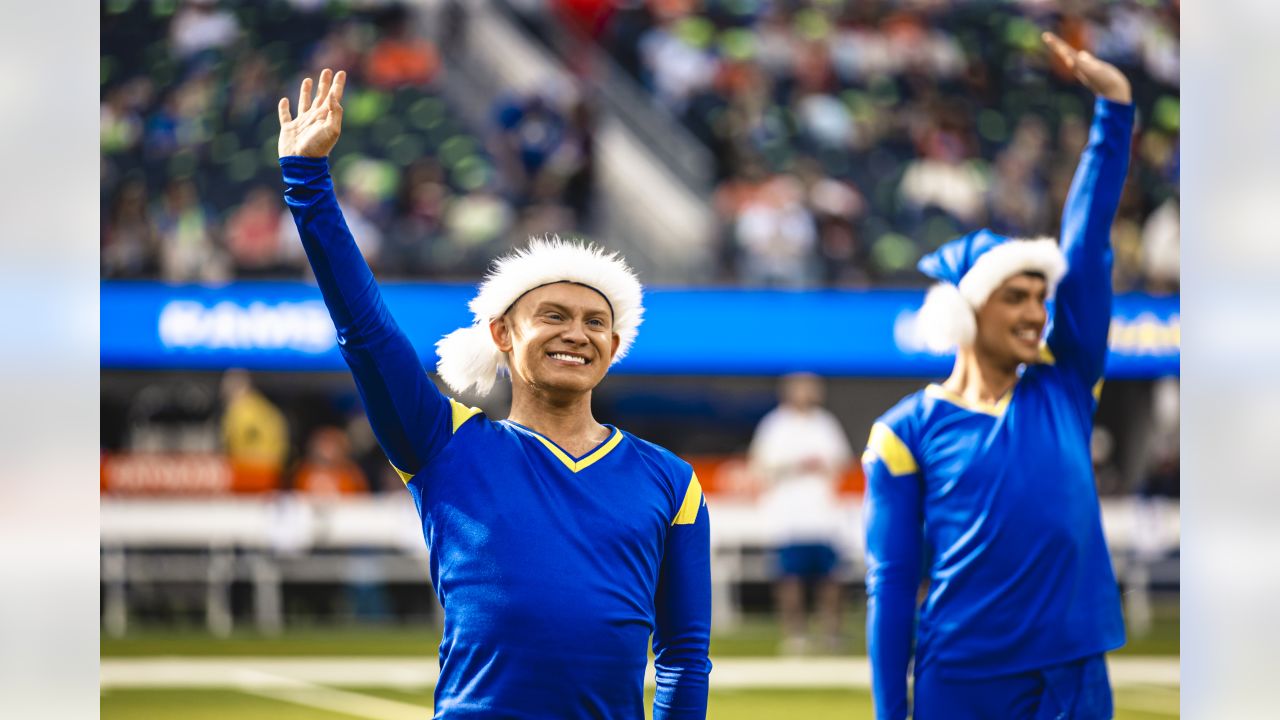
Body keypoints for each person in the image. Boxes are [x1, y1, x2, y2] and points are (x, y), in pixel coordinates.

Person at [275, 68, 710, 719]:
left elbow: (682, 655)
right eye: (555, 315)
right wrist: (307, 183)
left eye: (597, 322)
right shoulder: (443, 444)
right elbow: (365, 334)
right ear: (503, 333)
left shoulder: (672, 482)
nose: (578, 333)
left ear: (615, 347)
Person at [861, 34, 1135, 720]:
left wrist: (1114, 110)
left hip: (1077, 677)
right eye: (1016, 297)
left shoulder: (1066, 384)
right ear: (963, 309)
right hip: (966, 683)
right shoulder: (903, 433)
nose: (1038, 313)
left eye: (1042, 298)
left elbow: (1088, 247)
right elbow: (891, 585)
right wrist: (892, 713)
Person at [747, 372, 853, 654]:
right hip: (788, 515)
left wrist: (821, 466)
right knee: (790, 577)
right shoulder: (774, 425)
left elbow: (840, 462)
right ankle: (795, 635)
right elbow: (760, 465)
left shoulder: (825, 424)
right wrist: (796, 465)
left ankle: (831, 632)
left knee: (830, 578)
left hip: (822, 513)